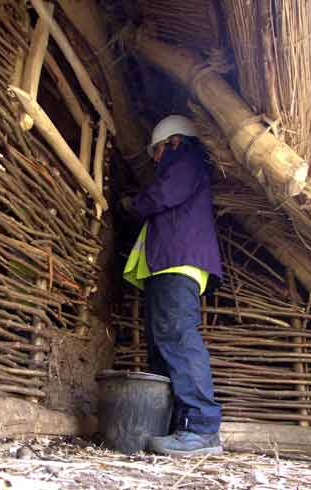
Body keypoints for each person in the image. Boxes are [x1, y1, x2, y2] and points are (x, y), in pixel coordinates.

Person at [121, 115, 223, 456]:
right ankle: (177, 427)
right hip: (166, 264)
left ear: (175, 142)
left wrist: (132, 204)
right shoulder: (180, 160)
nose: (155, 158)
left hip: (177, 263)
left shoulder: (186, 159)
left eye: (158, 149)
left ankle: (201, 428)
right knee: (163, 344)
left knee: (178, 337)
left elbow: (163, 194)